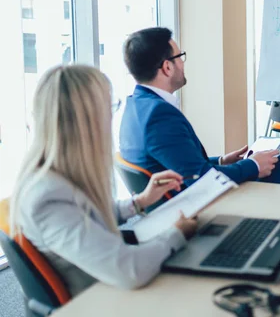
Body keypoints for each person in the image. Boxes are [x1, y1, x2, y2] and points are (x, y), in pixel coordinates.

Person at [9, 65, 198, 297]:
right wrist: (176, 233)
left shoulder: (54, 175)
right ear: (87, 122)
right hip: (103, 299)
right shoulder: (48, 199)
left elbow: (85, 214)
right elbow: (130, 270)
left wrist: (139, 202)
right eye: (110, 107)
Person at [119, 27, 280, 187]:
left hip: (183, 192)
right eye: (180, 57)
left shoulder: (135, 106)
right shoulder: (159, 116)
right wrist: (253, 165)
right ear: (167, 67)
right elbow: (200, 180)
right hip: (201, 205)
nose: (183, 64)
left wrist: (221, 161)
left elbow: (181, 164)